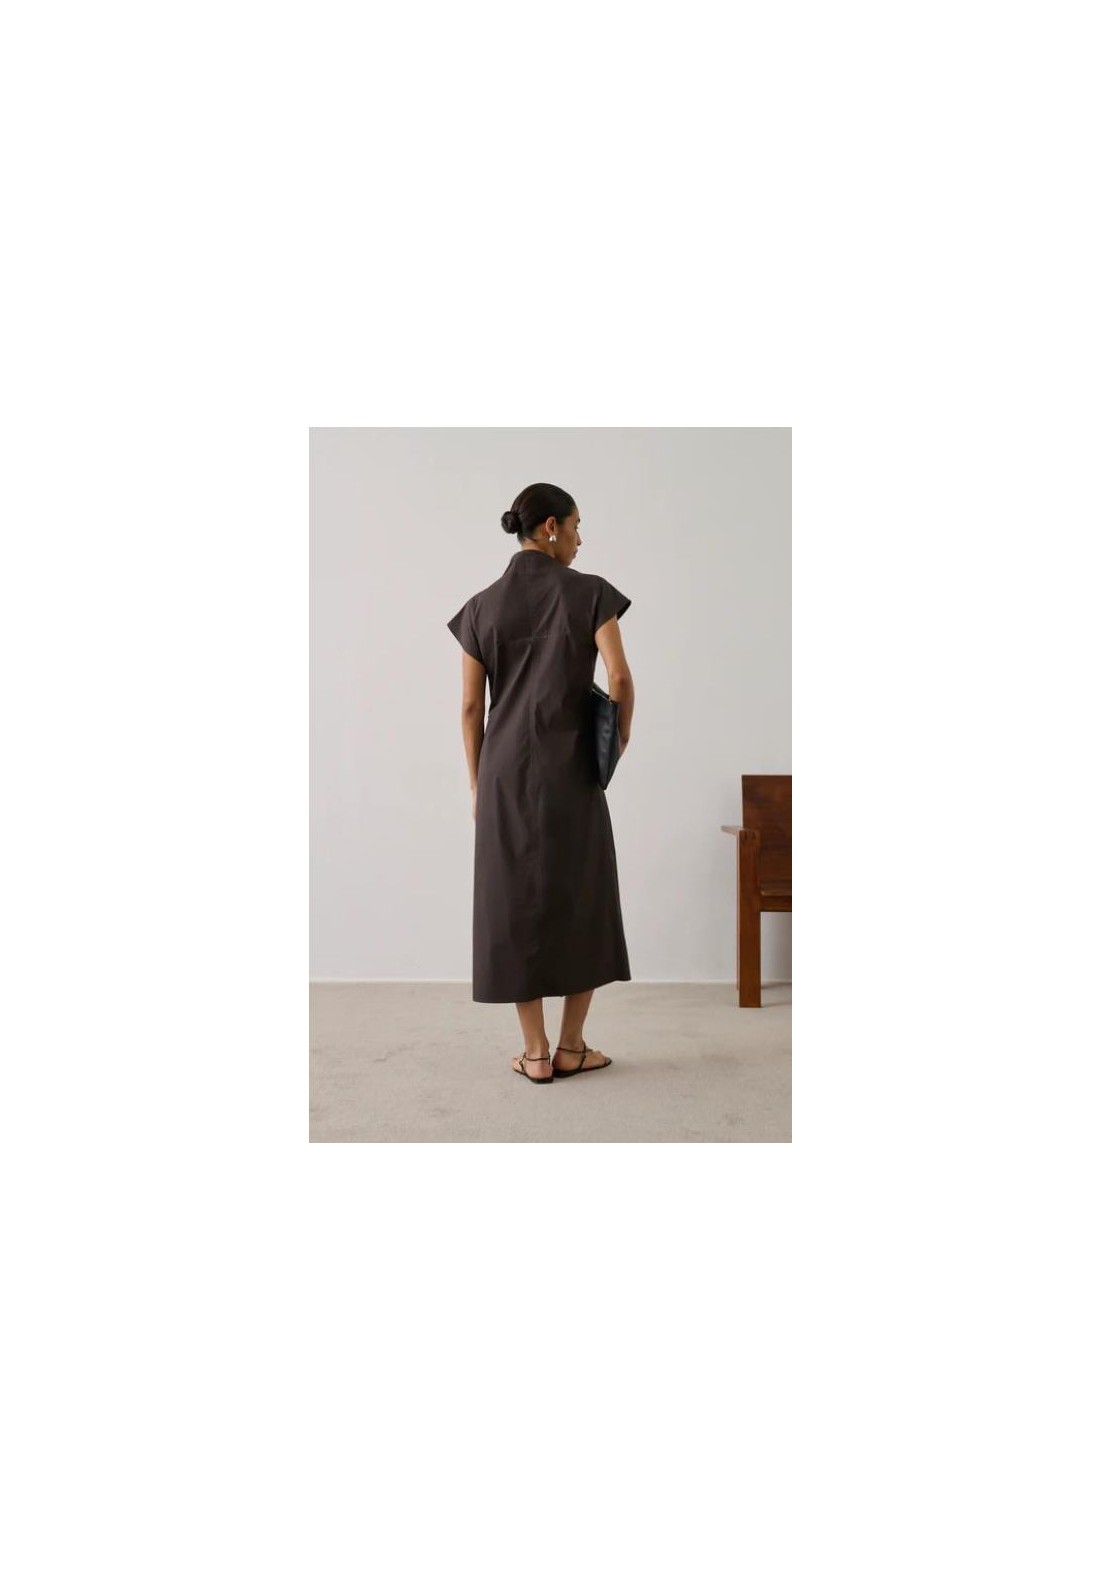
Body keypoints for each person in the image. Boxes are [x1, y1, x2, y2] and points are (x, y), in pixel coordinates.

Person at [446, 481, 635, 1084]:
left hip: (503, 771)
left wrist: (477, 785)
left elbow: (470, 708)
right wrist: (616, 744)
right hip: (572, 766)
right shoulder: (591, 593)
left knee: (512, 900)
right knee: (583, 893)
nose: (580, 539)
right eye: (576, 526)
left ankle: (534, 1053)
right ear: (550, 527)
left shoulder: (480, 607)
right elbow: (619, 678)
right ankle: (572, 1046)